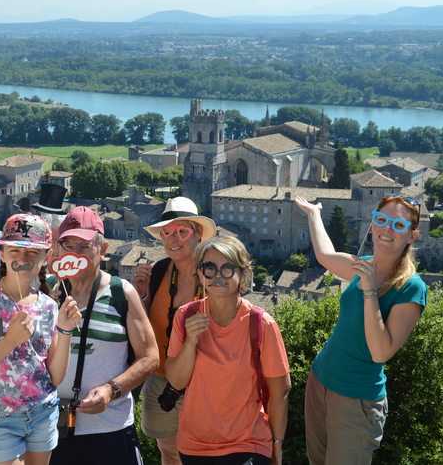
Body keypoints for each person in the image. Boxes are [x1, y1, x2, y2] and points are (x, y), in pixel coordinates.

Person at [295, 194, 427, 464]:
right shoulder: (364, 263)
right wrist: (314, 213)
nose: (387, 229)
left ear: (413, 235)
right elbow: (324, 255)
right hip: (320, 381)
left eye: (398, 225)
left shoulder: (411, 288)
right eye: (382, 219)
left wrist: (370, 292)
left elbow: (381, 352)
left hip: (356, 399)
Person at [0, 213, 81, 465]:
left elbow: (55, 377)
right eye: (15, 251)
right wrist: (9, 341)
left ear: (45, 258)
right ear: (2, 253)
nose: (22, 259)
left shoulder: (48, 306)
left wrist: (65, 329)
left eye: (32, 253)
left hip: (43, 412)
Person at [166, 235, 291, 465]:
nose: (217, 276)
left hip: (247, 443)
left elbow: (280, 391)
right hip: (194, 445)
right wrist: (190, 342)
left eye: (227, 269)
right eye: (209, 268)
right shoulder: (186, 316)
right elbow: (176, 380)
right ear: (200, 273)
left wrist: (277, 443)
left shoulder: (262, 324)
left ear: (243, 274)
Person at [50, 206, 158, 465]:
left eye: (84, 246)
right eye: (68, 245)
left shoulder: (122, 292)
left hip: (110, 430)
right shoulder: (51, 294)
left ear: (103, 249)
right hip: (53, 429)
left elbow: (150, 357)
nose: (75, 254)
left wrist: (111, 390)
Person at [132, 196, 216, 465]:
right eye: (167, 232)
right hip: (161, 379)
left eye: (182, 231)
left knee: (204, 454)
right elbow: (145, 325)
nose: (173, 238)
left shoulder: (214, 275)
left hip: (204, 382)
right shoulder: (159, 271)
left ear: (198, 234)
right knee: (169, 452)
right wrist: (141, 295)